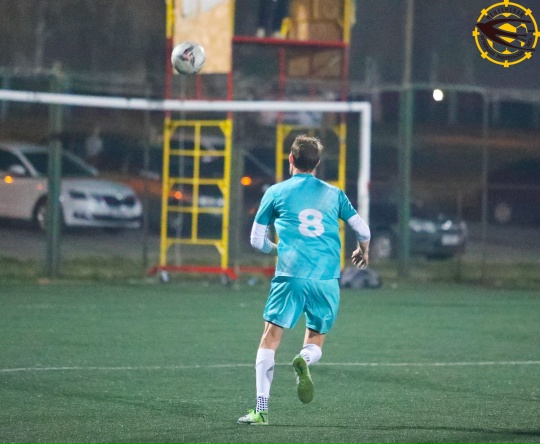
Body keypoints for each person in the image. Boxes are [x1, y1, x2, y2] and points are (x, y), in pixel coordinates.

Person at [237, 135, 371, 425]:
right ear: (317, 163)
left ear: (291, 159)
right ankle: (305, 359)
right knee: (315, 339)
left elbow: (256, 240)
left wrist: (277, 249)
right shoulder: (334, 194)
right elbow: (363, 230)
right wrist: (363, 250)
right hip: (326, 278)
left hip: (290, 275)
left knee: (270, 338)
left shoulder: (275, 192)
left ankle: (261, 409)